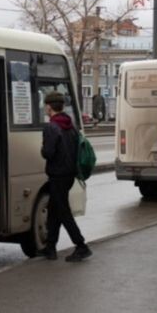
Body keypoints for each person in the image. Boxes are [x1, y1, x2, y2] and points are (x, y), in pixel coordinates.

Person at [39, 91, 92, 262]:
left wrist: (42, 147)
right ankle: (50, 247)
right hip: (69, 174)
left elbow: (48, 153)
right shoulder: (70, 125)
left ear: (49, 107)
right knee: (54, 209)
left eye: (45, 105)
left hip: (57, 174)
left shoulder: (51, 127)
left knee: (63, 211)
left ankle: (81, 246)